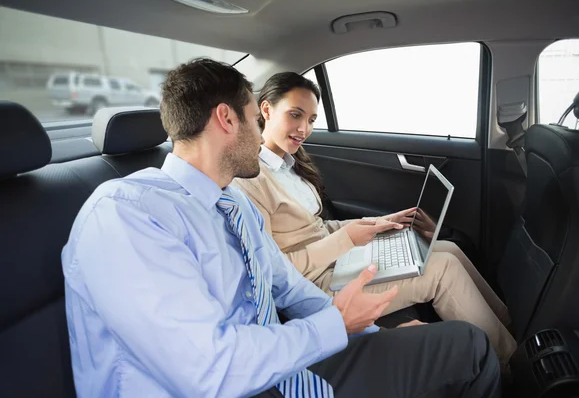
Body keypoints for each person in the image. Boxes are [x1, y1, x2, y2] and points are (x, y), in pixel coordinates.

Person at [61, 58, 501, 398]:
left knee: (461, 344)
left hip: (278, 365)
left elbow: (287, 287)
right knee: (473, 353)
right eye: (257, 119)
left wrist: (367, 329)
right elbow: (210, 372)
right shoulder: (127, 216)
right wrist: (334, 325)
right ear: (226, 119)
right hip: (232, 383)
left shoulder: (229, 201)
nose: (262, 134)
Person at [232, 71, 517, 365]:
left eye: (312, 120)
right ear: (266, 110)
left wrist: (379, 224)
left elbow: (318, 227)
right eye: (295, 115)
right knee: (442, 269)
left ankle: (511, 326)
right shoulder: (251, 180)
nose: (304, 128)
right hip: (315, 284)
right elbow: (275, 271)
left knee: (448, 249)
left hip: (337, 261)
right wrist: (346, 240)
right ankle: (512, 365)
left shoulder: (291, 164)